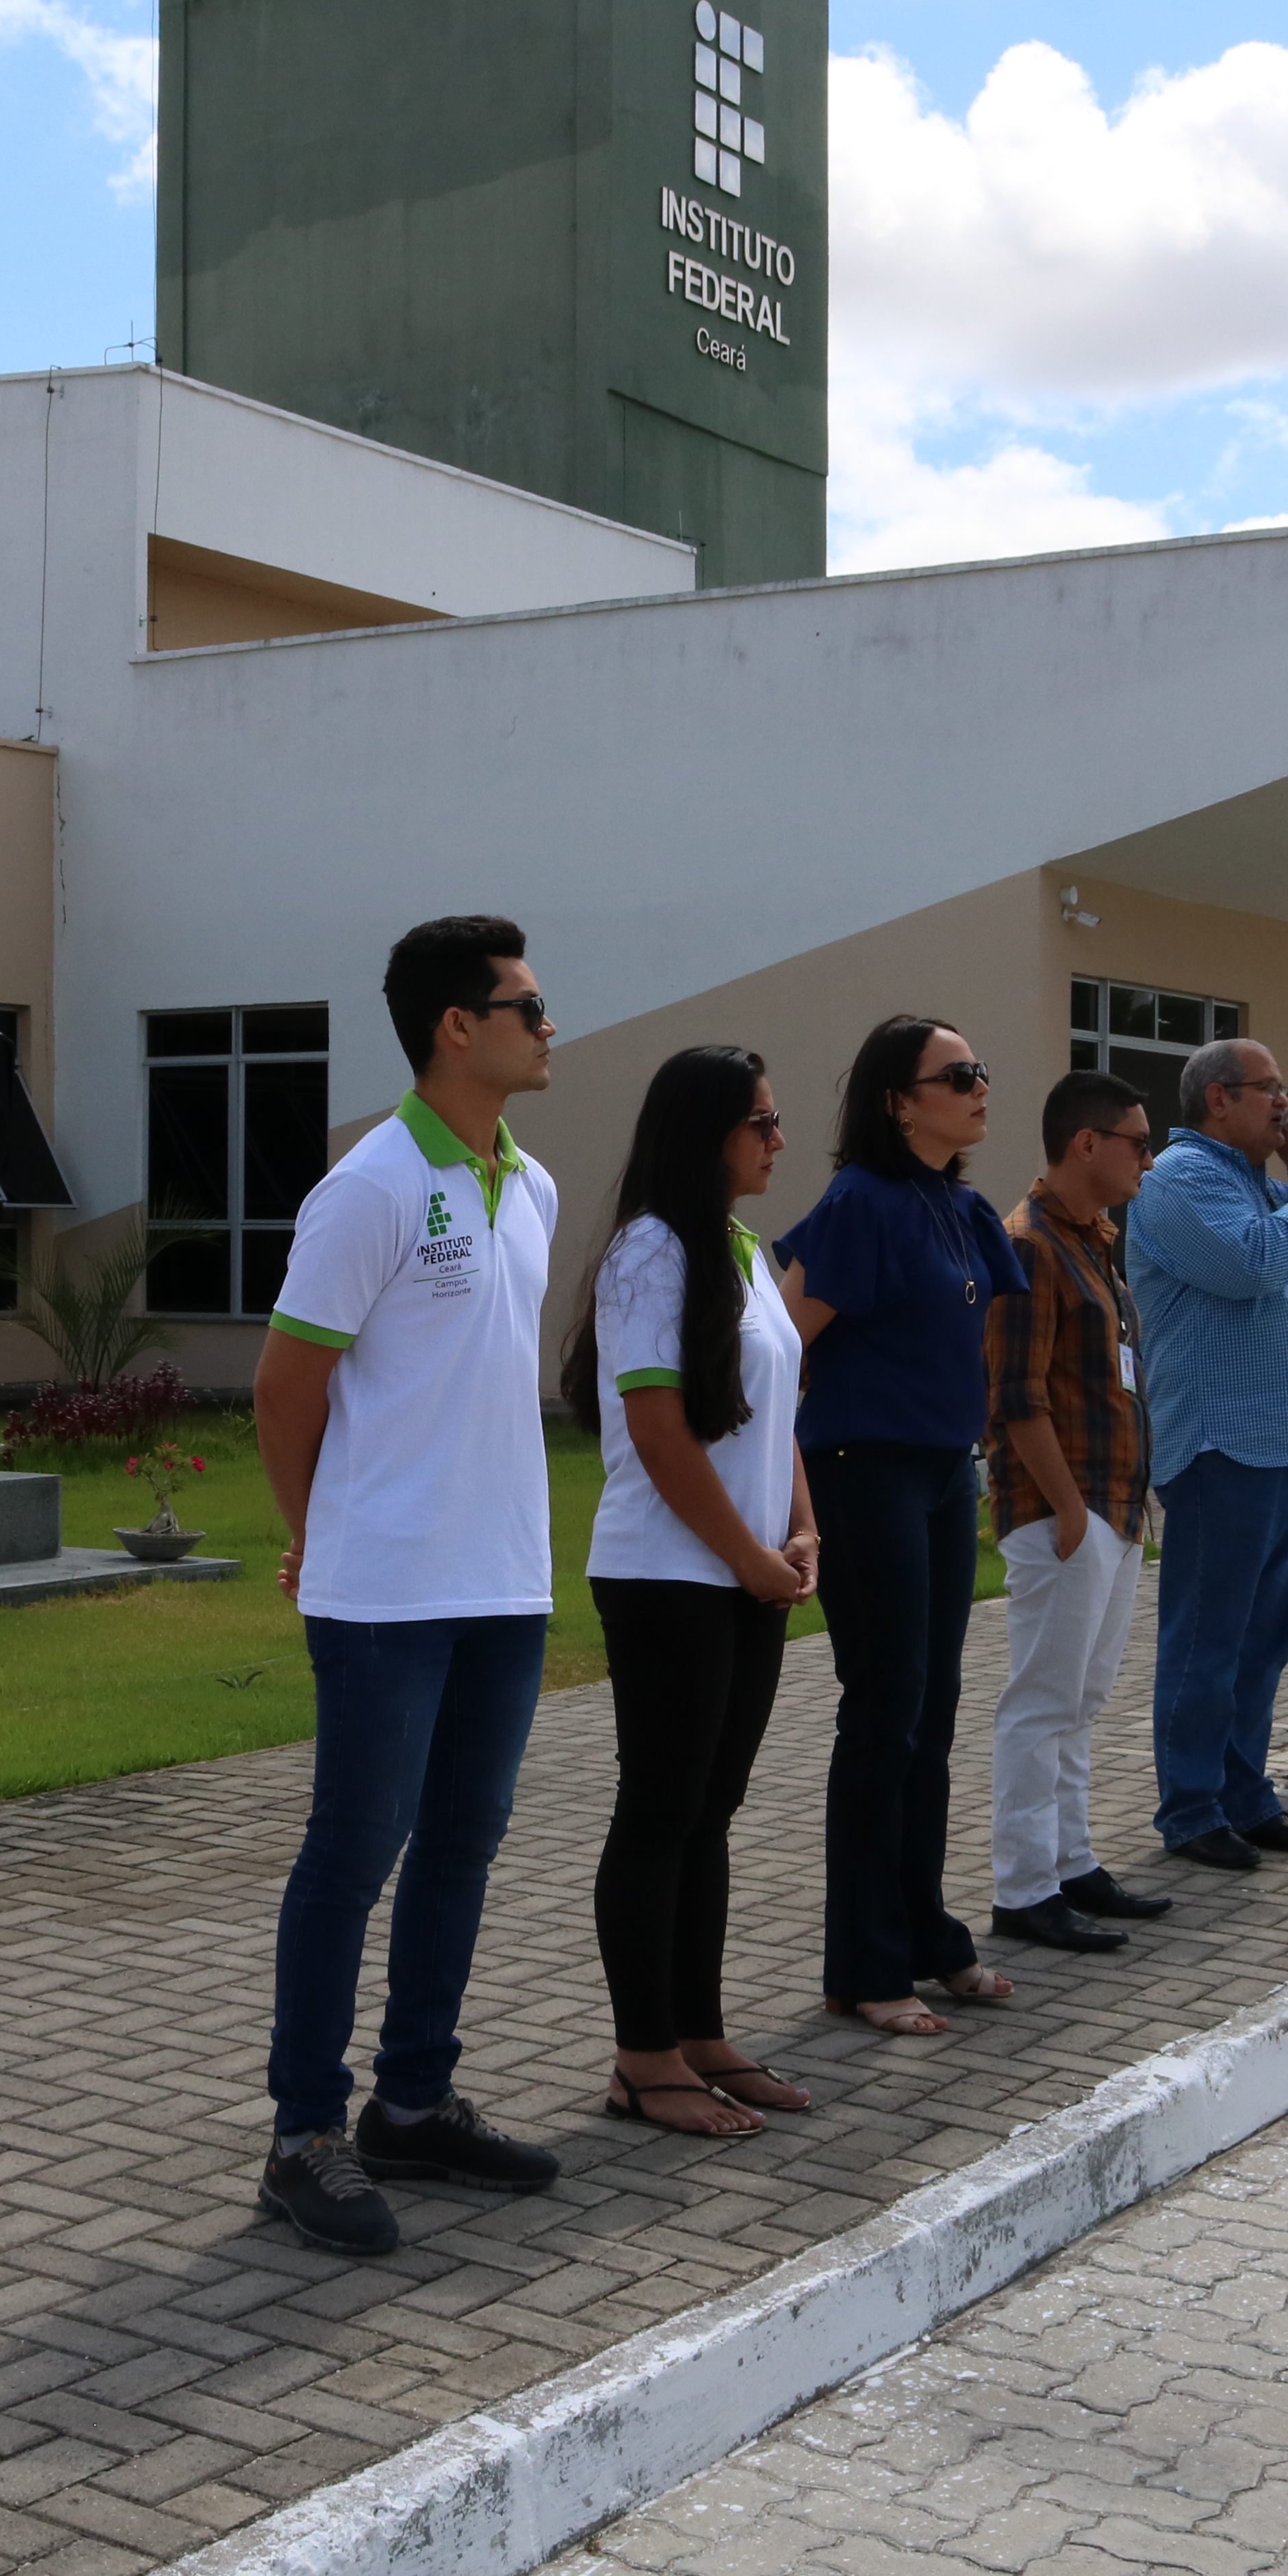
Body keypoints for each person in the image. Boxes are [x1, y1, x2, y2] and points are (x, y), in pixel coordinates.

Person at [250, 915, 569, 2255]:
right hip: (385, 1589)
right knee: (354, 1849)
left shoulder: (532, 1185)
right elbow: (284, 1387)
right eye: (529, 1006)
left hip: (506, 1578)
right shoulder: (373, 1186)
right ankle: (304, 2131)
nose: (549, 1026)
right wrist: (320, 1531)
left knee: (463, 1842)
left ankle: (415, 2098)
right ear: (458, 1025)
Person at [566, 1046, 821, 2138]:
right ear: (705, 1131)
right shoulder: (649, 1254)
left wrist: (801, 1527)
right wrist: (750, 1557)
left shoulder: (741, 1249)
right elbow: (663, 1439)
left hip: (743, 1574)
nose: (778, 1139)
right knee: (661, 1810)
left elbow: (774, 1418)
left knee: (711, 1813)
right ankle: (641, 2057)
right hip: (668, 1575)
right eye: (760, 1122)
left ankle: (700, 2032)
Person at [777, 1015, 1031, 2037]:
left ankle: (928, 1935)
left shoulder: (960, 1209)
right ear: (897, 1100)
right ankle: (863, 1965)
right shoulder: (860, 1204)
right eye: (958, 1075)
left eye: (982, 1070)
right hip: (861, 1474)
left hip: (938, 1478)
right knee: (883, 1712)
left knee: (932, 1711)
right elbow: (778, 1345)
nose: (979, 1088)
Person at [1126, 1035, 1288, 1873]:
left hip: (1285, 1445)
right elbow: (1253, 1264)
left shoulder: (1259, 1179)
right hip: (1224, 1448)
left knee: (1262, 1638)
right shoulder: (1179, 1182)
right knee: (1208, 1639)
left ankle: (1243, 1792)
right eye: (1270, 1091)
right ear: (1218, 1098)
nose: (1285, 1105)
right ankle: (1190, 1808)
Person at [979, 1069, 1176, 1954]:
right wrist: (1065, 1510)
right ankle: (1024, 1888)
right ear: (1087, 1144)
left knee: (1082, 1699)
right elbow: (1016, 1397)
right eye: (1138, 1141)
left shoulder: (1094, 1241)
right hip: (1069, 1511)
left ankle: (1072, 1864)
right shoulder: (1026, 1245)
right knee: (1042, 1701)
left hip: (1115, 1509)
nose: (1149, 1157)